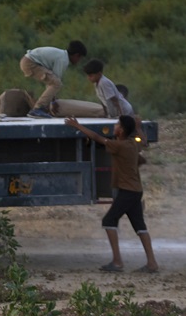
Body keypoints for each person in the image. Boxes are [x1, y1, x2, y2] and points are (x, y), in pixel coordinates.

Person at [66, 115, 159, 273]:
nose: (114, 126)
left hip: (127, 191)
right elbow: (143, 146)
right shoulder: (132, 144)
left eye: (117, 124)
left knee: (109, 221)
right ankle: (152, 263)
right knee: (140, 227)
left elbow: (97, 138)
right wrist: (138, 127)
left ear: (121, 130)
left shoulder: (119, 146)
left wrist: (77, 126)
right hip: (135, 190)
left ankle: (117, 262)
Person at [22, 40, 88, 118]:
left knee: (54, 82)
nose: (79, 61)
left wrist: (53, 101)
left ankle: (42, 107)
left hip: (28, 60)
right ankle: (38, 109)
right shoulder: (63, 59)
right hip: (30, 63)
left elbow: (51, 82)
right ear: (76, 55)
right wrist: (53, 102)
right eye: (80, 58)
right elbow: (56, 82)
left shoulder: (62, 55)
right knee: (56, 83)